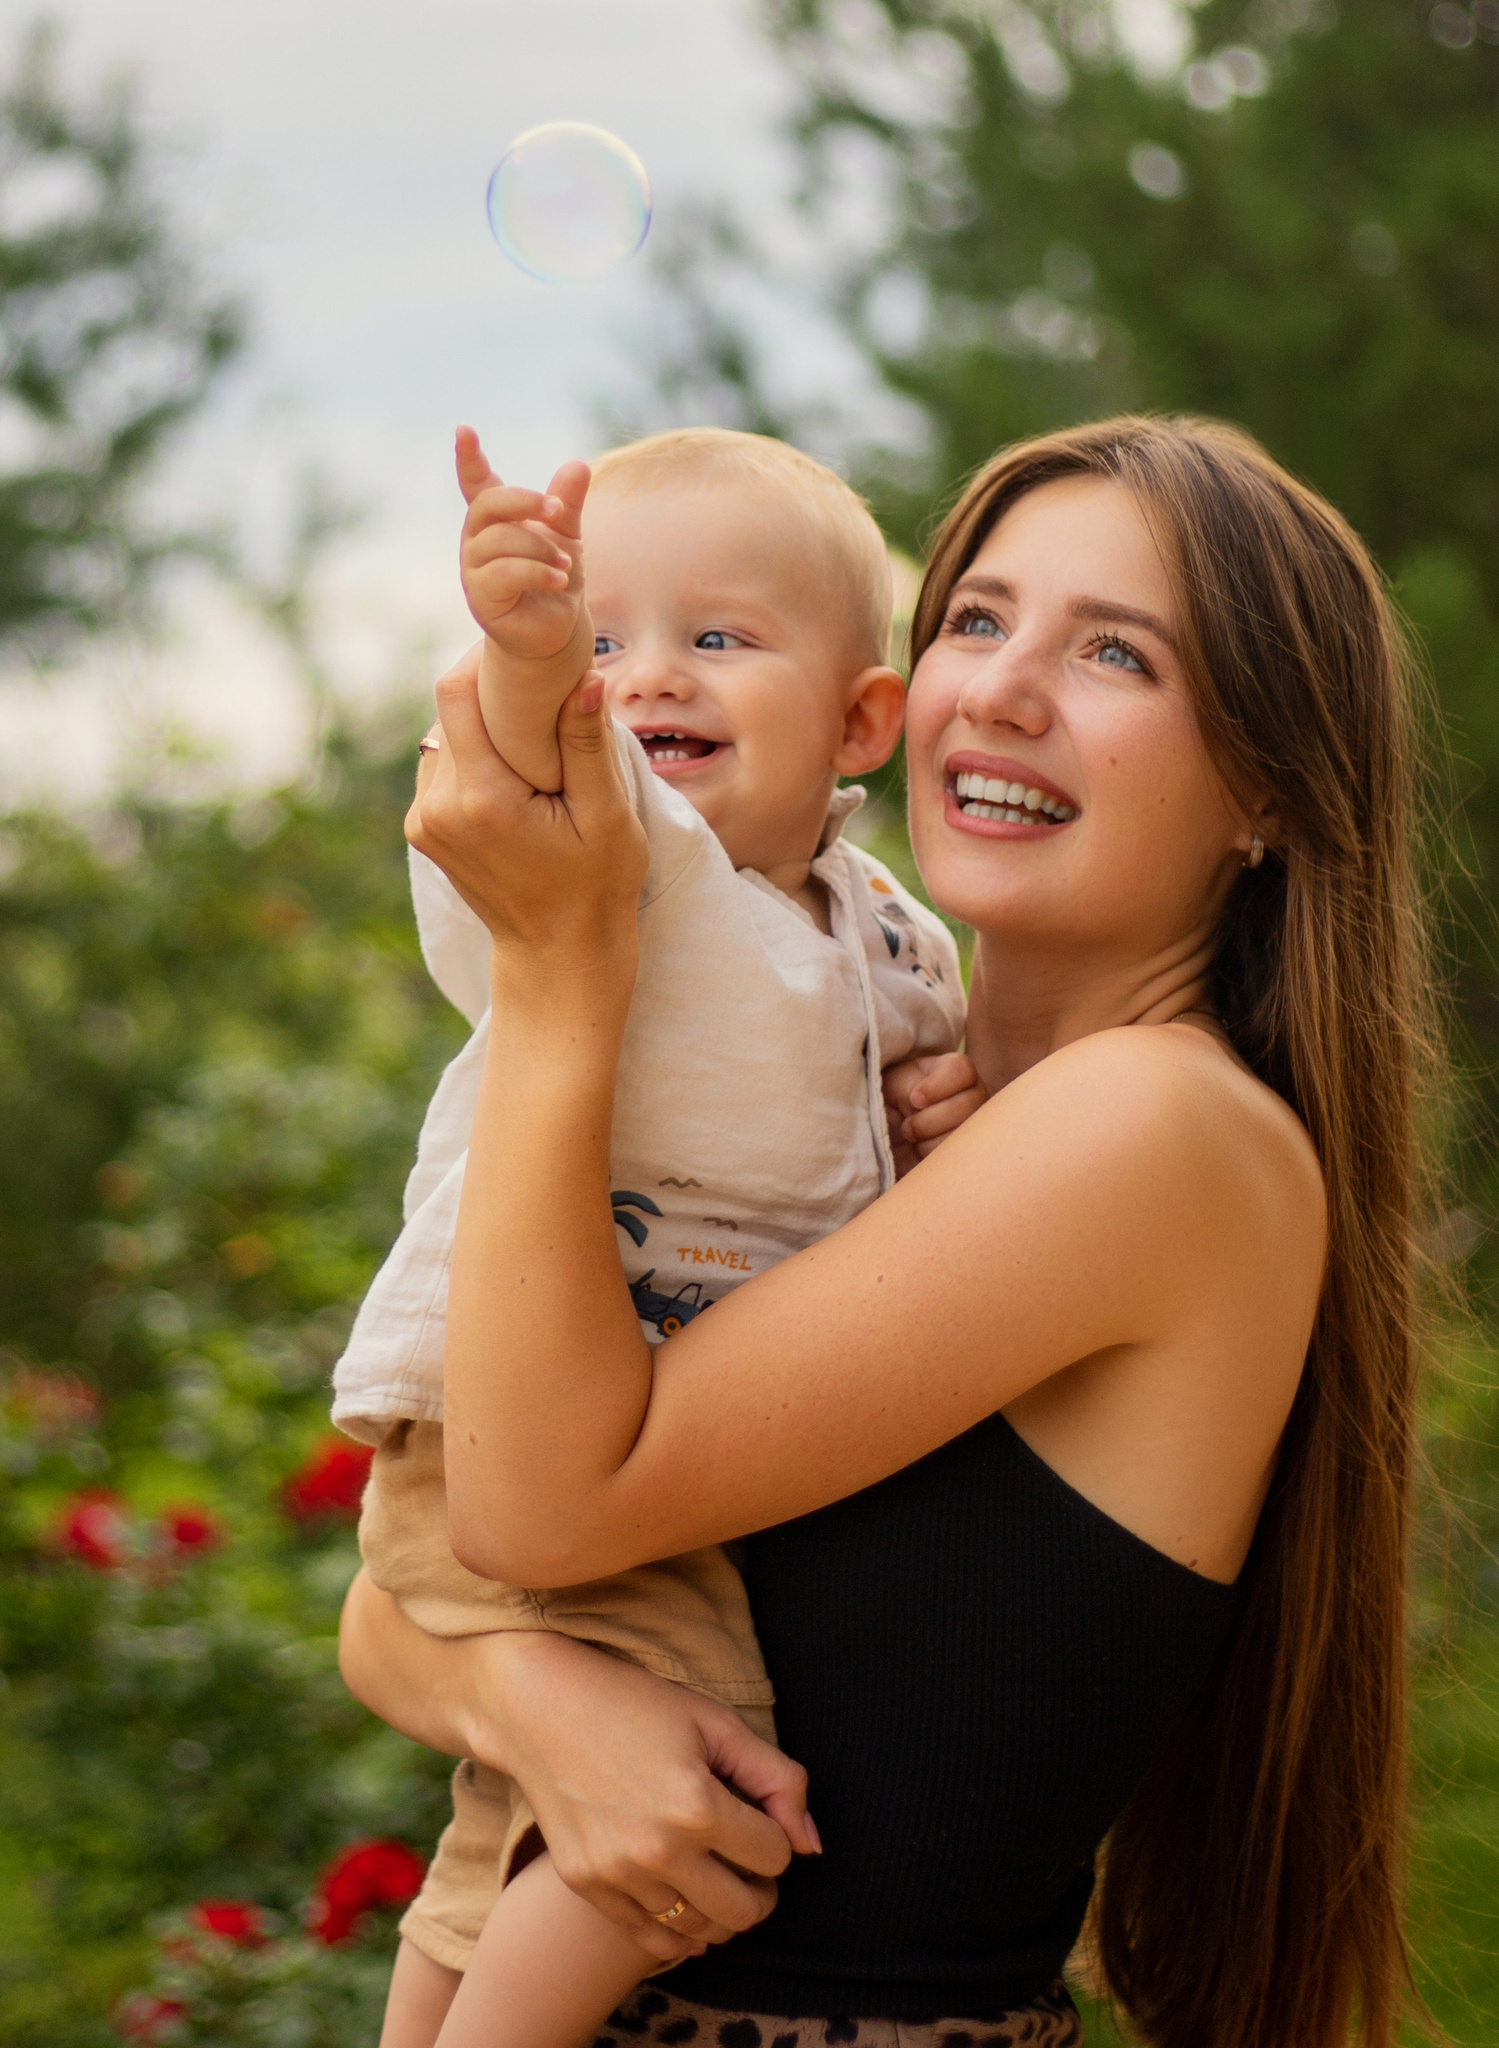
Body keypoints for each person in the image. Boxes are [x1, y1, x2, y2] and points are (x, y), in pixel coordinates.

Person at [343, 415, 1435, 2048]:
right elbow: (394, 1595)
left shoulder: (1163, 1130)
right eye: (978, 620)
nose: (999, 688)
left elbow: (532, 1503)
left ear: (1266, 788)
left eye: (1117, 652)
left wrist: (562, 967)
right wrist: (530, 1696)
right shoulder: (864, 1119)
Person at [334, 426, 973, 2048]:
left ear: (859, 723)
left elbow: (931, 1055)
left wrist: (967, 1091)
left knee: (501, 1821)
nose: (650, 678)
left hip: (661, 1420)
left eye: (719, 637)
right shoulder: (624, 857)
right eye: (616, 639)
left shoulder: (877, 920)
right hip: (518, 1411)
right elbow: (552, 756)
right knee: (689, 1783)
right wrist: (533, 644)